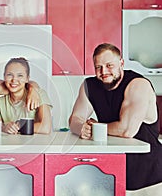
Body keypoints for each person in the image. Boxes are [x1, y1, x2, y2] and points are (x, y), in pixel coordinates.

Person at [69, 43, 162, 192]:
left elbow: (126, 130)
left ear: (121, 63)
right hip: (113, 171)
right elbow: (74, 120)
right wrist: (81, 128)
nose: (103, 71)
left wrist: (93, 128)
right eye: (98, 67)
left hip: (149, 176)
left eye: (109, 65)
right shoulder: (89, 85)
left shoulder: (138, 85)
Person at [0, 57, 52, 134]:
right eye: (9, 75)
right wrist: (5, 128)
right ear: (4, 77)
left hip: (35, 144)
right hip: (9, 144)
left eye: (20, 75)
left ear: (27, 79)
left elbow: (45, 127)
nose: (14, 80)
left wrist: (19, 127)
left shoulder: (39, 94)